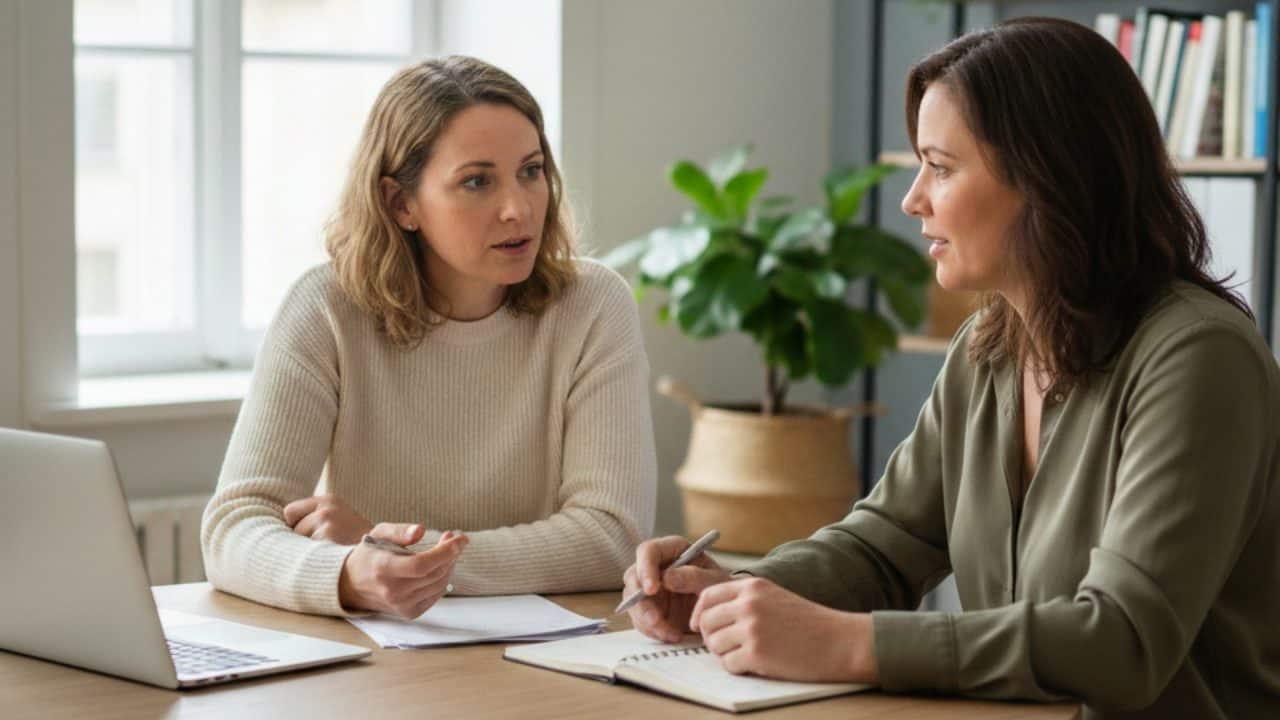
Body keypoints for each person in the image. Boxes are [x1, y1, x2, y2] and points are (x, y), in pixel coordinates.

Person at [623, 17, 1279, 719]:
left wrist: (854, 644)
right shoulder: (989, 347)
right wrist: (725, 592)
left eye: (940, 167)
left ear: (1046, 177)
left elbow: (1121, 643)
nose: (913, 200)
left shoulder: (1199, 357)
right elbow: (884, 547)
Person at [202, 56, 657, 620]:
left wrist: (405, 552)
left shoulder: (592, 305)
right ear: (401, 203)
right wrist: (347, 573)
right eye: (477, 181)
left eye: (531, 170)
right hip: (373, 662)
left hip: (544, 656)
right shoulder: (325, 309)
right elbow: (234, 527)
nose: (518, 208)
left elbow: (610, 534)